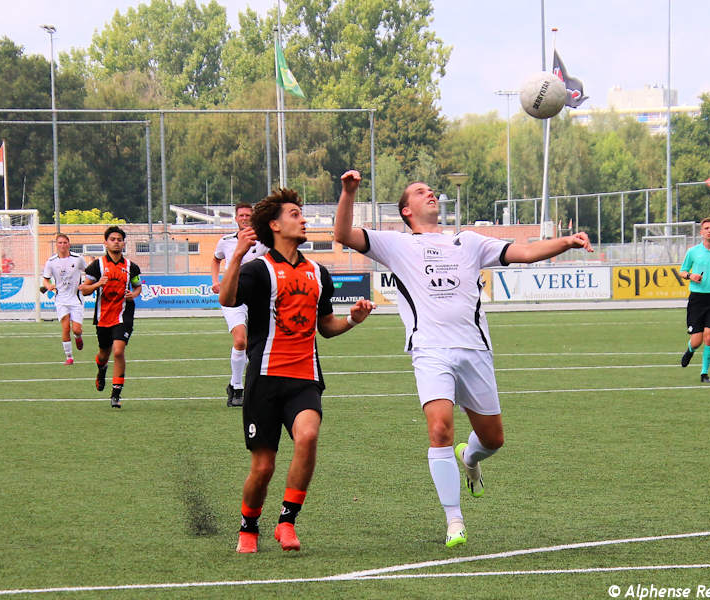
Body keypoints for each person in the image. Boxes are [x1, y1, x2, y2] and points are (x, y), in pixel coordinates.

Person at [333, 171, 593, 548]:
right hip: (430, 351)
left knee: (493, 439)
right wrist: (349, 192)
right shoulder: (395, 244)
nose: (430, 193)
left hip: (474, 350)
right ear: (406, 210)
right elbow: (343, 234)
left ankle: (470, 459)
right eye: (420, 192)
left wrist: (566, 241)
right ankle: (454, 519)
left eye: (431, 190)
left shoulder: (467, 241)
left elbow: (523, 253)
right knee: (440, 429)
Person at [219, 188, 374, 554]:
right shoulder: (258, 269)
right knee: (263, 467)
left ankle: (287, 521)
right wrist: (238, 254)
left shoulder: (319, 273)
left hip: (305, 378)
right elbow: (227, 299)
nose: (303, 219)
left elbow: (326, 327)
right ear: (274, 225)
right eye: (294, 214)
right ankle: (248, 526)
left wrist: (352, 320)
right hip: (265, 380)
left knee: (307, 436)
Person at [211, 202, 269, 407]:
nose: (244, 218)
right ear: (236, 218)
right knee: (240, 341)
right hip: (233, 296)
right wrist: (216, 281)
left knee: (258, 345)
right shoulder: (226, 241)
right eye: (241, 215)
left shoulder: (264, 241)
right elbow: (215, 259)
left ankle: (258, 387)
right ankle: (236, 387)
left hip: (258, 298)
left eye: (248, 215)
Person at [79, 226, 142, 408]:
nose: (116, 242)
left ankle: (116, 393)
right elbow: (84, 290)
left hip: (124, 314)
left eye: (119, 239)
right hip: (104, 316)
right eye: (112, 239)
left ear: (124, 243)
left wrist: (134, 294)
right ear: (105, 243)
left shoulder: (131, 267)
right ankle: (101, 369)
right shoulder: (97, 265)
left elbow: (137, 286)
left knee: (118, 351)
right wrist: (98, 284)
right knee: (103, 354)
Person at [679, 217, 710, 383]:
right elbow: (682, 271)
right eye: (706, 228)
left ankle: (704, 373)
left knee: (709, 337)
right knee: (696, 341)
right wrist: (690, 276)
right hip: (696, 300)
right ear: (701, 232)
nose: (709, 231)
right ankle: (690, 350)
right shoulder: (693, 251)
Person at [42, 233, 88, 364]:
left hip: (76, 299)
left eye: (65, 242)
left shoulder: (78, 259)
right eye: (60, 243)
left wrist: (86, 284)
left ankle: (78, 336)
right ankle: (69, 357)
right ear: (56, 245)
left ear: (69, 244)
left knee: (76, 329)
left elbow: (89, 272)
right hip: (61, 299)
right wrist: (48, 286)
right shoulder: (51, 262)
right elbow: (45, 279)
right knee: (66, 328)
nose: (62, 245)